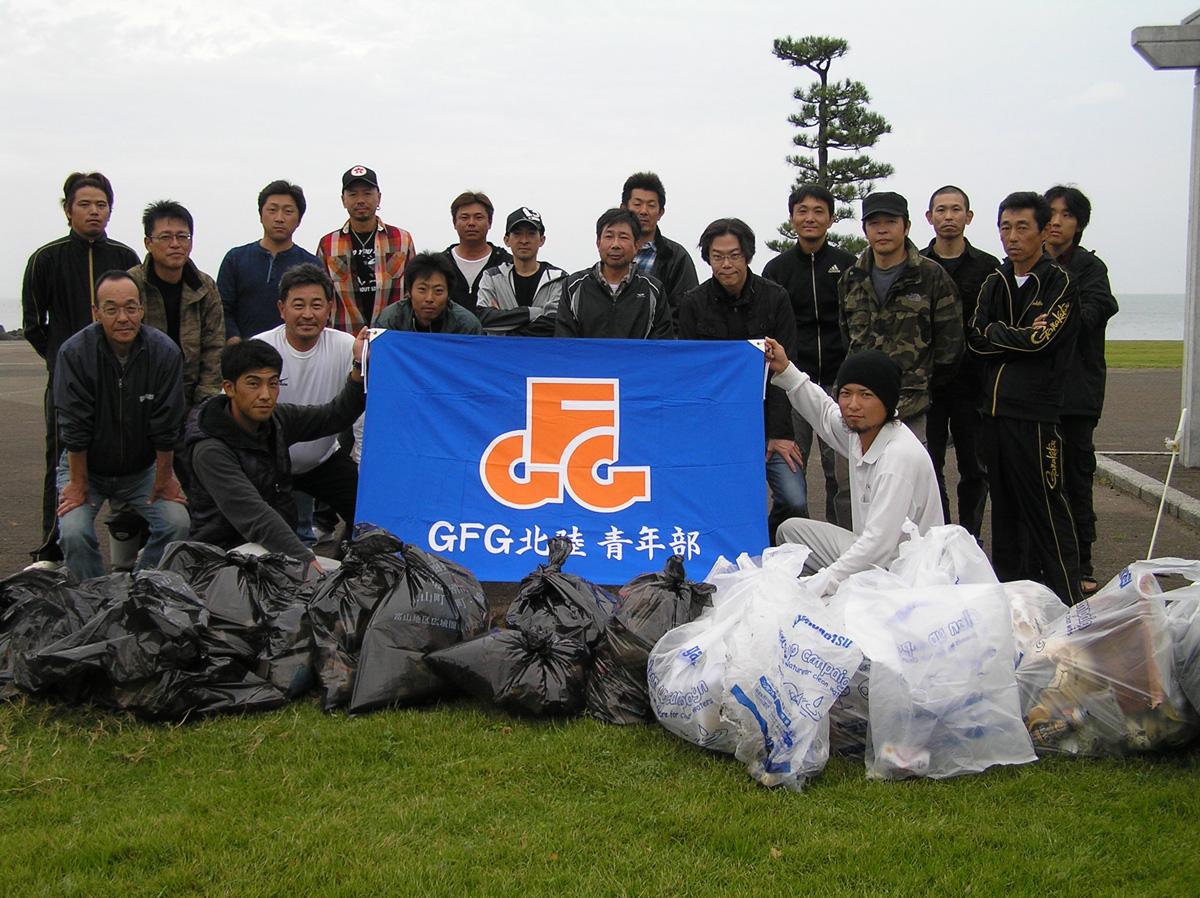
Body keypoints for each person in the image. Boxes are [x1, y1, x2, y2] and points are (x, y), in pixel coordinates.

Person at [21, 172, 141, 566]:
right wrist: (61, 359)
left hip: (124, 374)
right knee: (61, 456)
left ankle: (130, 547)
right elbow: (34, 323)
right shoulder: (46, 258)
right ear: (68, 208)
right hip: (67, 379)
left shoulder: (125, 258)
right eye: (85, 204)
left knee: (130, 452)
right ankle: (51, 550)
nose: (94, 212)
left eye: (101, 204)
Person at [968, 191, 1081, 605]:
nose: (1012, 237)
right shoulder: (994, 281)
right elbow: (976, 339)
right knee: (1006, 515)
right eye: (1005, 227)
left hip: (1036, 419)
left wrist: (1002, 333)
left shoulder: (1060, 282)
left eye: (1022, 227)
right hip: (993, 415)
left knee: (1048, 513)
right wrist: (1015, 335)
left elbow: (1044, 342)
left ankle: (1070, 605)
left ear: (1042, 230)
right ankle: (1014, 608)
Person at [765, 340, 943, 597]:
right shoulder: (861, 431)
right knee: (790, 531)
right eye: (846, 393)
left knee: (822, 589)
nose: (853, 404)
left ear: (887, 400)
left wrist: (816, 587)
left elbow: (876, 548)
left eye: (866, 395)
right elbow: (825, 414)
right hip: (871, 554)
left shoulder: (898, 457)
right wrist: (786, 369)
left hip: (903, 575)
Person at [183, 331, 369, 574]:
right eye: (253, 384)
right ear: (229, 388)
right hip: (222, 559)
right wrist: (305, 560)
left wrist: (358, 366)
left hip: (274, 551)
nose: (265, 395)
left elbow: (334, 417)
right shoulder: (210, 448)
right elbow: (255, 516)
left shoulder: (276, 420)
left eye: (273, 383)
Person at [53, 270, 189, 581]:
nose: (122, 317)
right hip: (86, 465)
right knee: (73, 532)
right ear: (96, 312)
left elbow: (167, 424)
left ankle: (139, 587)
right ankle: (95, 595)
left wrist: (165, 477)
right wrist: (77, 482)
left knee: (177, 523)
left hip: (143, 468)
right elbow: (74, 424)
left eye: (130, 307)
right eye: (111, 309)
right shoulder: (74, 353)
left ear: (142, 309)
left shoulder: (165, 352)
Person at [677, 218, 806, 542]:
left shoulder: (775, 298)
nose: (726, 264)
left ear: (747, 255)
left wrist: (777, 434)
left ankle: (771, 546)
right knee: (715, 503)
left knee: (795, 499)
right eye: (718, 256)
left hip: (769, 419)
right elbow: (691, 375)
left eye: (734, 255)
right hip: (716, 427)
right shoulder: (693, 303)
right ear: (707, 258)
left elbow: (784, 371)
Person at [762, 184, 856, 527]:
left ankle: (843, 551)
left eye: (819, 211)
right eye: (802, 211)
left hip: (839, 384)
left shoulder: (848, 265)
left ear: (832, 218)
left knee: (843, 477)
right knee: (791, 476)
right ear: (791, 219)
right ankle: (795, 553)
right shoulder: (777, 269)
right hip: (792, 385)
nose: (810, 218)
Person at [839, 191, 964, 444]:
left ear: (906, 227)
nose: (882, 230)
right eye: (874, 223)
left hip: (910, 408)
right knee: (853, 483)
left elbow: (950, 347)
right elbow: (845, 335)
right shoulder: (851, 279)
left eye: (891, 222)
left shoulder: (931, 276)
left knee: (911, 480)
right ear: (865, 230)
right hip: (859, 410)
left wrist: (921, 383)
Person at [1044, 185, 1119, 597]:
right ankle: (1042, 559)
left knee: (1075, 479)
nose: (1056, 221)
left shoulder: (1090, 268)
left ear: (1079, 224)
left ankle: (1081, 563)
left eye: (1066, 215)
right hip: (1035, 397)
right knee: (1038, 482)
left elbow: (1095, 310)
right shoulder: (1023, 265)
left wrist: (1050, 323)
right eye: (1050, 213)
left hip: (1076, 397)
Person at [253, 264, 361, 544]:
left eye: (316, 305)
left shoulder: (346, 346)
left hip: (322, 459)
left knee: (369, 510)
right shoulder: (261, 348)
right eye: (298, 305)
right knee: (271, 534)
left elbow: (361, 409)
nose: (307, 314)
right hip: (269, 463)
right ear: (282, 308)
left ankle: (347, 562)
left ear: (329, 309)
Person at [920, 186, 1002, 538]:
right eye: (941, 210)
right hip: (928, 385)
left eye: (956, 210)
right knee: (928, 465)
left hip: (974, 384)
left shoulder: (989, 268)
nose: (948, 216)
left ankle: (969, 536)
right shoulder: (916, 266)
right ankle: (940, 536)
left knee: (974, 466)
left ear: (969, 217)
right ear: (929, 218)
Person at [128, 200, 225, 417]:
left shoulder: (204, 287)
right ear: (148, 243)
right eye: (165, 237)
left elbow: (214, 348)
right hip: (139, 398)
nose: (175, 244)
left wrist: (203, 404)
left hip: (190, 400)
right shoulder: (130, 285)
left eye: (183, 236)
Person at [316, 166, 416, 333]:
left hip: (391, 335)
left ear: (379, 197)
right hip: (344, 335)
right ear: (343, 200)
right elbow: (321, 294)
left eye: (367, 193)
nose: (360, 200)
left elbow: (412, 290)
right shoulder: (328, 244)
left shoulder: (402, 240)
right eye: (353, 194)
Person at [218, 180, 321, 343]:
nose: (279, 218)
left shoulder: (310, 264)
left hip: (295, 354)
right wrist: (235, 343)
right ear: (261, 215)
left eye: (288, 211)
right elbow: (223, 309)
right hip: (245, 356)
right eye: (272, 210)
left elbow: (319, 312)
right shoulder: (236, 259)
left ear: (299, 220)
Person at [556, 209, 674, 339]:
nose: (615, 245)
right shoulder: (574, 286)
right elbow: (564, 343)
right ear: (598, 243)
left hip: (636, 359)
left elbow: (661, 346)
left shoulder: (653, 290)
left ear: (637, 245)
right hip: (586, 359)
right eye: (609, 237)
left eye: (623, 237)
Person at [475, 208, 566, 336]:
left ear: (542, 240)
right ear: (507, 240)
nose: (524, 240)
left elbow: (555, 323)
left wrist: (506, 326)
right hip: (501, 353)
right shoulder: (492, 277)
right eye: (517, 233)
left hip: (543, 354)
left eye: (531, 233)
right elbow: (484, 319)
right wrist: (535, 312)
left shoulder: (558, 279)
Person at [620, 172, 699, 312]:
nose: (643, 211)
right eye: (637, 204)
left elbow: (685, 311)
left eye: (651, 205)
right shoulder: (612, 250)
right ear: (623, 208)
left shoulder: (676, 257)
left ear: (661, 212)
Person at [374, 252, 484, 334]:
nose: (429, 298)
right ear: (409, 292)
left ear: (448, 295)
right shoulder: (390, 320)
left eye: (438, 291)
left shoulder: (467, 326)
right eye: (422, 289)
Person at [442, 191, 512, 315]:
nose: (471, 223)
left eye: (478, 217)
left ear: (490, 222)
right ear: (454, 223)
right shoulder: (439, 264)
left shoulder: (507, 264)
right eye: (464, 218)